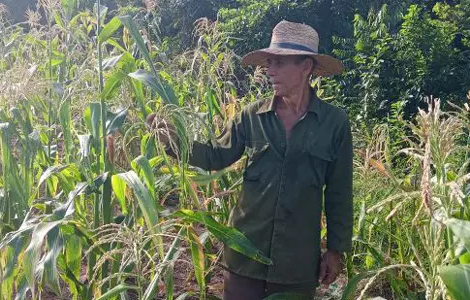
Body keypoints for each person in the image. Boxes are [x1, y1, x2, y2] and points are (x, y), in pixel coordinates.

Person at [147, 21, 353, 300]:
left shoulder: (334, 123)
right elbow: (215, 155)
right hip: (245, 255)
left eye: (280, 63)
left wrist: (335, 250)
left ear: (306, 67)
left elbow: (340, 192)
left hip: (296, 265)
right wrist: (172, 140)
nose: (270, 71)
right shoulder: (251, 116)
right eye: (269, 63)